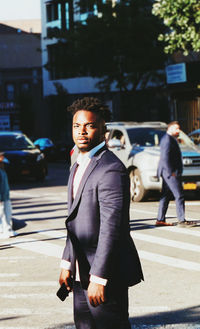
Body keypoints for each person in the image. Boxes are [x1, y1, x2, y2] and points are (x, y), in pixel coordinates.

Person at [59, 97, 144, 329]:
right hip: (80, 272)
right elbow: (73, 220)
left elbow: (112, 228)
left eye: (89, 125)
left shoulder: (110, 168)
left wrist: (99, 277)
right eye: (77, 126)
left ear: (103, 130)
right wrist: (67, 262)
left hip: (105, 276)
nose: (82, 132)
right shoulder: (77, 164)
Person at [155, 121, 196, 227]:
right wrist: (171, 173)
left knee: (165, 196)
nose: (178, 131)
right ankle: (182, 220)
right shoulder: (167, 140)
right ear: (170, 129)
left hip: (167, 172)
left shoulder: (169, 139)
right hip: (170, 172)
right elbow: (165, 158)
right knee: (179, 196)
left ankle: (160, 219)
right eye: (176, 129)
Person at [0, 153, 17, 238]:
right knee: (2, 214)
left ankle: (8, 230)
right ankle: (4, 231)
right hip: (1, 197)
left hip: (5, 196)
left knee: (7, 214)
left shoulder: (2, 170)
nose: (3, 158)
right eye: (1, 157)